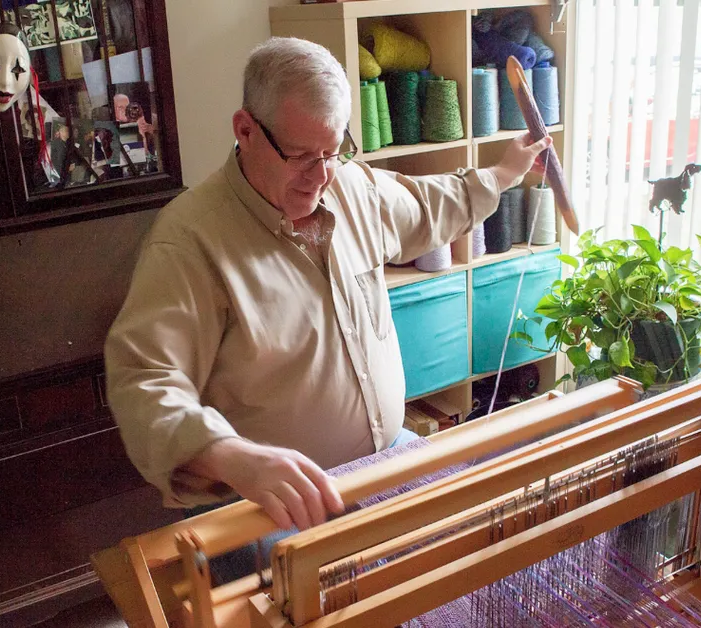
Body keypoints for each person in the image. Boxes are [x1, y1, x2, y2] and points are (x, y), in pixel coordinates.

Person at [104, 37, 550, 540]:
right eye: (299, 156)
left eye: (333, 152)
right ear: (245, 130)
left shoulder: (350, 187)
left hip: (384, 457)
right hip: (269, 505)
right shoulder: (187, 242)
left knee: (478, 539)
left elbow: (428, 206)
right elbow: (144, 381)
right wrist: (229, 456)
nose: (320, 177)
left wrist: (503, 173)